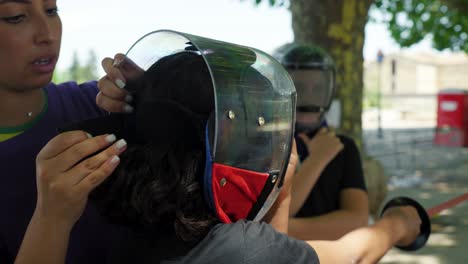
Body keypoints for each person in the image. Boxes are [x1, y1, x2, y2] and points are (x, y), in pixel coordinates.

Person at [16, 33, 425, 263]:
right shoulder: (243, 250)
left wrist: (50, 218)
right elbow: (352, 253)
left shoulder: (118, 228)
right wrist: (401, 223)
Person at [0, 1, 135, 263]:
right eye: (15, 17)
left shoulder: (100, 104)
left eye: (51, 11)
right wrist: (51, 218)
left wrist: (143, 96)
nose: (47, 35)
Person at [274, 43, 369, 240]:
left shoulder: (344, 147)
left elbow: (358, 220)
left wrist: (280, 230)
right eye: (299, 87)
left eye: (317, 89)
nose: (309, 97)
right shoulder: (270, 145)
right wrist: (317, 159)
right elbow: (281, 210)